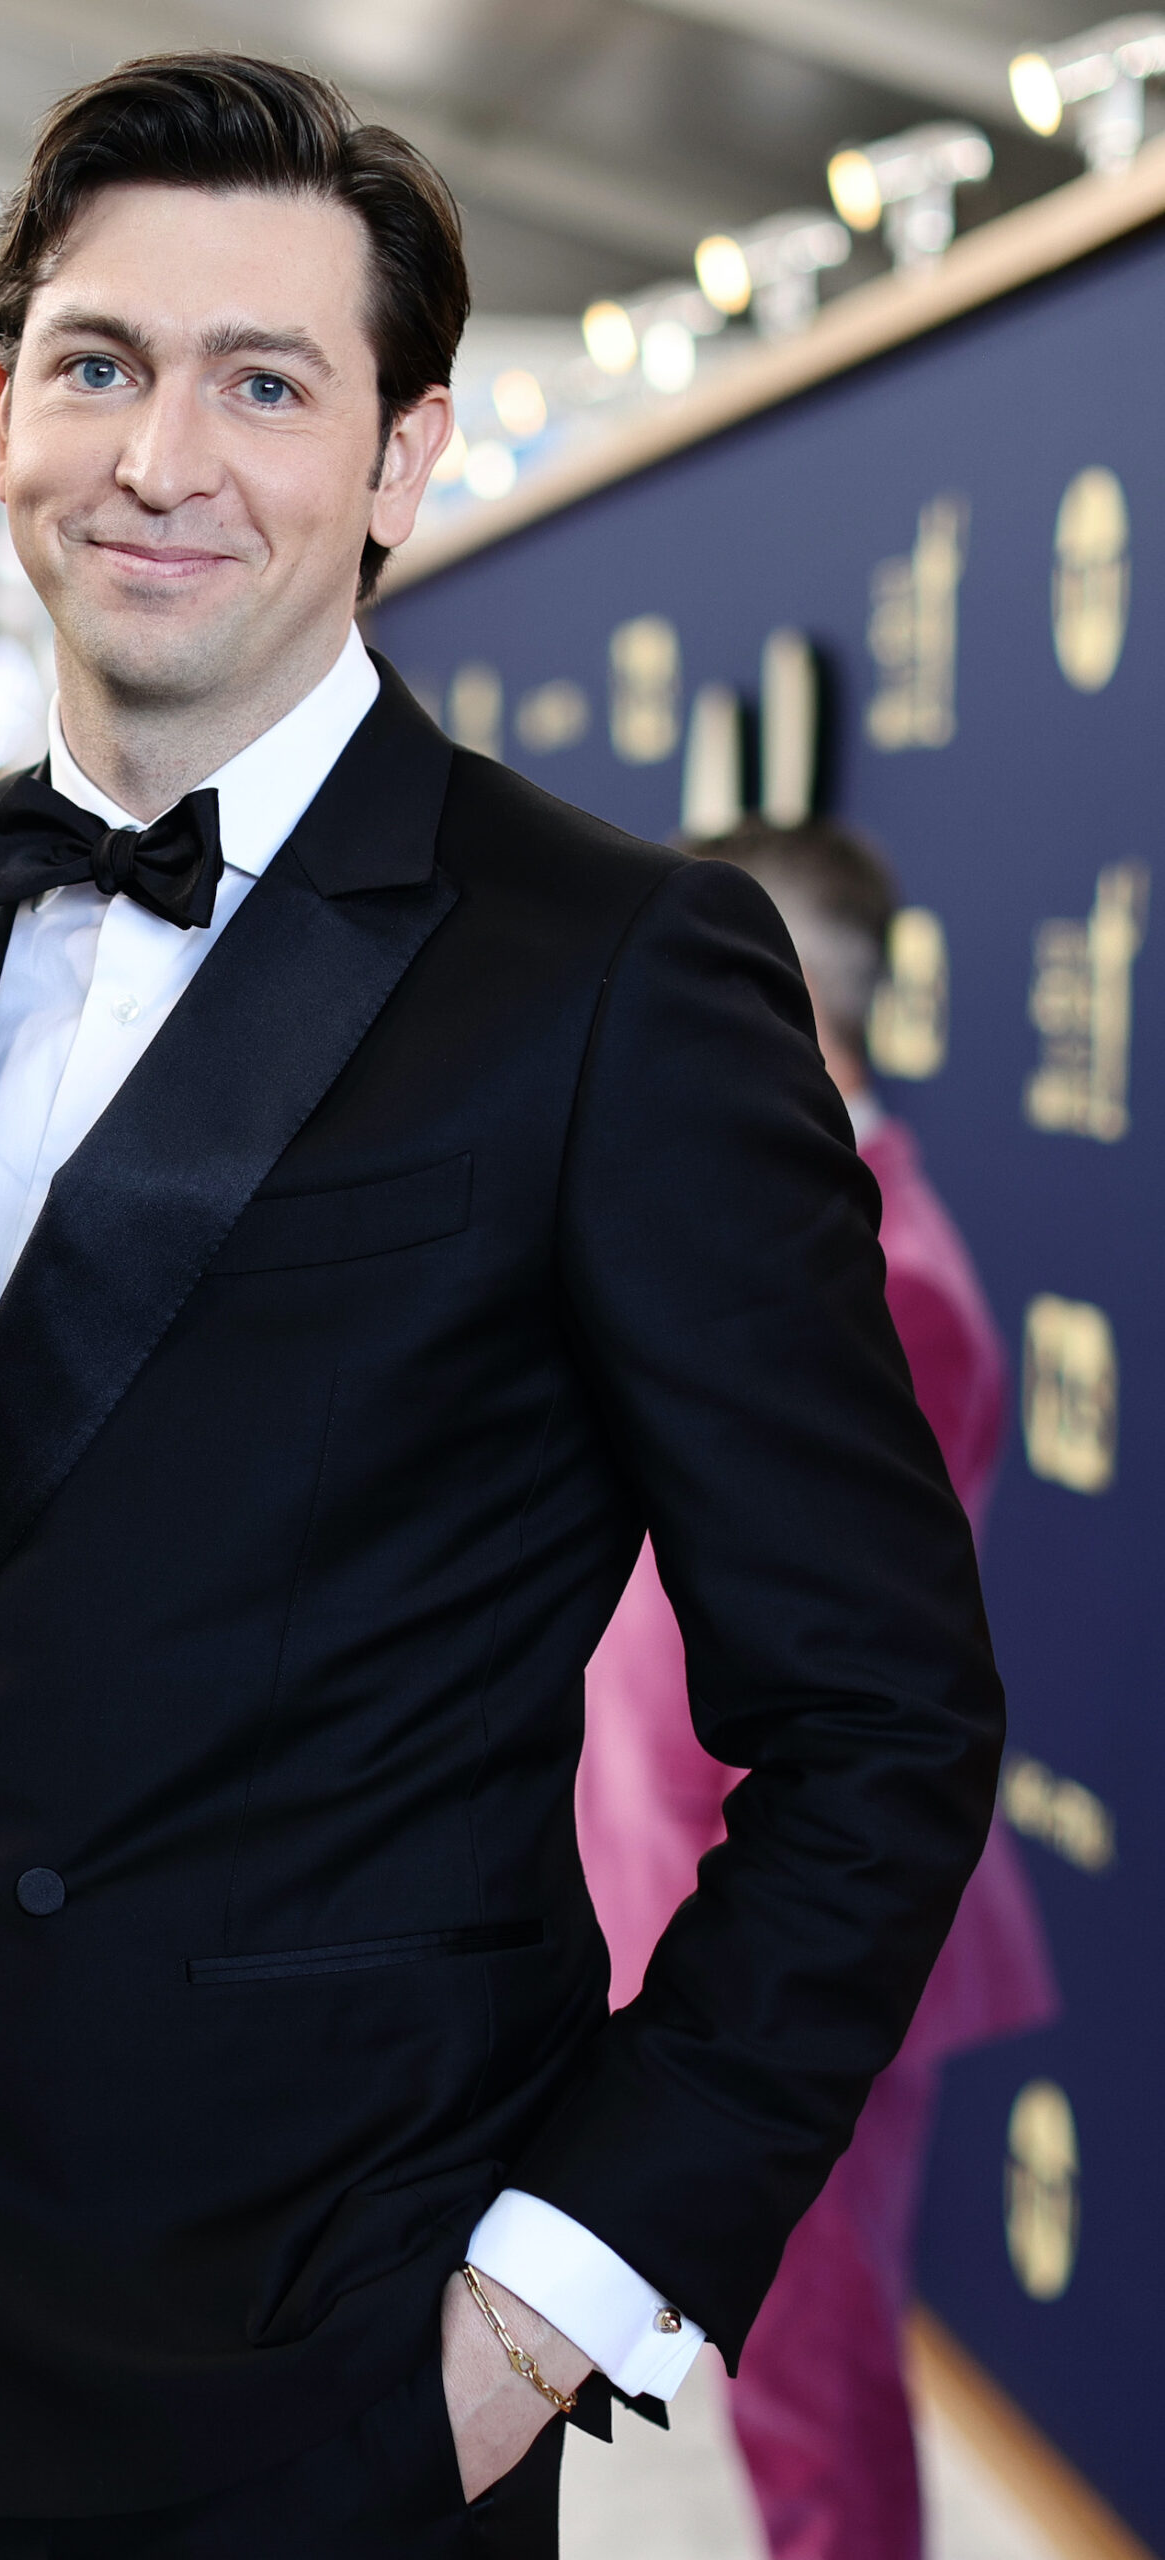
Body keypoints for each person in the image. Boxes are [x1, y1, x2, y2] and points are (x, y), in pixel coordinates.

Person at [0, 56, 1004, 2560]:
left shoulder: (622, 969)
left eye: (267, 383)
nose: (162, 457)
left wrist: (544, 2303)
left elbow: (882, 1717)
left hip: (308, 2376)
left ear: (400, 458)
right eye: (102, 363)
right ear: (3, 397)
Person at [577, 818, 1057, 2560]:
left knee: (814, 2390)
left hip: (794, 1945)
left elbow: (842, 1711)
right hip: (685, 1911)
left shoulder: (886, 1285)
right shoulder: (767, 1230)